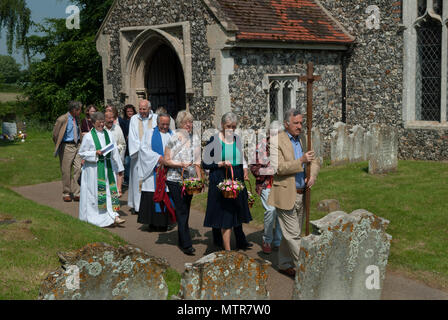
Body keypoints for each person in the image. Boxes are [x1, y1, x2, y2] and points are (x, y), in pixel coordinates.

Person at [268, 108, 320, 278]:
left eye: (301, 122)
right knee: (294, 235)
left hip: (302, 194)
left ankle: (284, 264)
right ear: (286, 124)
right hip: (284, 194)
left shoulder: (304, 138)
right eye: (296, 123)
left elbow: (316, 161)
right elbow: (278, 168)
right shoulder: (276, 141)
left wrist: (312, 175)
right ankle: (310, 271)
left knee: (288, 234)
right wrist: (301, 161)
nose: (300, 126)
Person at [202, 112, 253, 251]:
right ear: (222, 125)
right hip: (219, 178)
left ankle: (240, 241)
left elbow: (240, 156)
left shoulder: (237, 139)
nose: (231, 129)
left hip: (236, 176)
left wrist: (244, 169)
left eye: (234, 127)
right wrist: (219, 163)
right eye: (228, 126)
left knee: (236, 209)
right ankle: (225, 247)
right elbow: (205, 163)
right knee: (223, 213)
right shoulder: (213, 140)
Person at [78, 112, 125, 227]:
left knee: (110, 191)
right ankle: (98, 217)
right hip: (94, 170)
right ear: (93, 123)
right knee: (97, 192)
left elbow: (114, 152)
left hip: (108, 167)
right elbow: (82, 153)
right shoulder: (89, 136)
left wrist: (119, 168)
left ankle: (114, 215)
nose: (101, 125)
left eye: (103, 122)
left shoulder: (109, 134)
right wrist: (95, 153)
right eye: (99, 123)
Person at [164, 111, 202, 256]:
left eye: (190, 122)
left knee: (185, 208)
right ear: (180, 124)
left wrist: (199, 178)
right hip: (174, 179)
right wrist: (180, 164)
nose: (189, 125)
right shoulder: (173, 138)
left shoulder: (195, 138)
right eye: (186, 122)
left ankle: (181, 239)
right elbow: (166, 159)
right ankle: (186, 244)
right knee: (182, 210)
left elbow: (197, 160)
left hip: (190, 180)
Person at [250, 121, 283, 254]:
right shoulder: (261, 147)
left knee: (281, 211)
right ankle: (267, 240)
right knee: (271, 210)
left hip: (282, 184)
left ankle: (278, 241)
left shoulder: (284, 146)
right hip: (266, 185)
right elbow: (254, 169)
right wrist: (270, 170)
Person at [137, 113, 174, 231]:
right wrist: (158, 158)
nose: (165, 126)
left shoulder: (172, 135)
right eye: (162, 124)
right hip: (153, 170)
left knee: (167, 195)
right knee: (152, 195)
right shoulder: (150, 133)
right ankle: (152, 223)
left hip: (168, 171)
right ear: (157, 123)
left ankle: (164, 222)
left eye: (167, 124)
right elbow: (144, 149)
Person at [127, 100, 158, 215]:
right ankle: (138, 206)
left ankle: (150, 205)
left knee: (150, 181)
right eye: (140, 109)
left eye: (144, 109)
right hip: (139, 156)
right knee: (137, 181)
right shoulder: (134, 119)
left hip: (151, 156)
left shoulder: (155, 118)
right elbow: (132, 137)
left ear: (149, 108)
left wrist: (150, 152)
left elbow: (157, 134)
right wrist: (142, 149)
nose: (142, 111)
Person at [52, 101, 83, 202]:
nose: (81, 111)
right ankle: (66, 193)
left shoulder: (77, 118)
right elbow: (55, 134)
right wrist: (59, 144)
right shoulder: (62, 119)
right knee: (66, 170)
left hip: (78, 145)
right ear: (74, 110)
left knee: (78, 168)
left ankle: (77, 193)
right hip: (67, 146)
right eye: (79, 110)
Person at [105, 110, 126, 195]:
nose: (111, 120)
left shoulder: (117, 128)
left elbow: (123, 143)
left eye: (112, 118)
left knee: (118, 172)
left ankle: (118, 190)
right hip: (105, 158)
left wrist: (116, 149)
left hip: (116, 156)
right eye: (109, 118)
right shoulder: (101, 128)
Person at [118, 104, 136, 187]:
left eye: (131, 111)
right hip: (127, 144)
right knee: (127, 162)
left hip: (135, 144)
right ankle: (127, 179)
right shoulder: (124, 121)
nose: (129, 113)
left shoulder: (136, 120)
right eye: (128, 111)